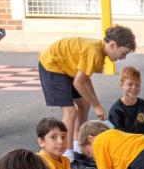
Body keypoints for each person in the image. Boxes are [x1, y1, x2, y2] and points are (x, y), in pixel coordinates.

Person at [37, 25, 137, 154]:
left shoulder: (99, 51)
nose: (123, 58)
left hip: (66, 67)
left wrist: (96, 103)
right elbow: (78, 83)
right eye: (123, 53)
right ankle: (68, 156)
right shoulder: (94, 52)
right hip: (52, 65)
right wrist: (97, 106)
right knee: (70, 112)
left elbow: (85, 79)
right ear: (112, 45)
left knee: (84, 103)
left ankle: (77, 148)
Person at [107, 67, 144, 137]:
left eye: (137, 85)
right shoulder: (116, 110)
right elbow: (117, 135)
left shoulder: (143, 105)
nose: (134, 88)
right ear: (121, 85)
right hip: (127, 144)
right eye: (130, 84)